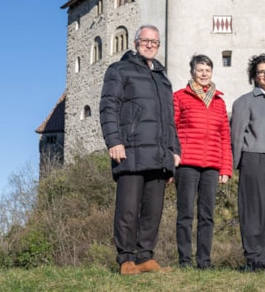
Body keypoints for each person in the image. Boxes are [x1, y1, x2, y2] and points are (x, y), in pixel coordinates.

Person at [99, 25, 182, 275]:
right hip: (130, 149)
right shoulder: (119, 70)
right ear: (135, 43)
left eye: (154, 42)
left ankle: (146, 256)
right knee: (127, 208)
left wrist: (173, 150)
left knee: (153, 209)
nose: (149, 45)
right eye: (145, 40)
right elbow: (108, 106)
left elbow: (169, 119)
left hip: (158, 154)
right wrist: (114, 140)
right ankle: (126, 258)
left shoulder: (162, 78)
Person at [173, 54, 233, 269]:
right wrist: (173, 160)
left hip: (212, 165)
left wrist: (226, 167)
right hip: (187, 163)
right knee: (185, 213)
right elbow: (172, 129)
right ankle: (184, 260)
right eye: (200, 70)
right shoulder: (180, 97)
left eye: (207, 70)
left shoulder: (219, 101)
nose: (204, 74)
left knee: (207, 215)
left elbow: (225, 137)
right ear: (192, 73)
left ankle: (204, 260)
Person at [230, 54, 265, 272]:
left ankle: (264, 258)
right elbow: (236, 136)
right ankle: (252, 257)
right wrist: (234, 166)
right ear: (255, 76)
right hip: (253, 158)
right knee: (252, 209)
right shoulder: (244, 102)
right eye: (261, 71)